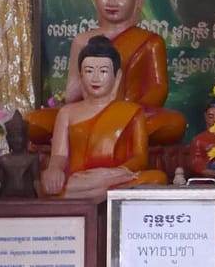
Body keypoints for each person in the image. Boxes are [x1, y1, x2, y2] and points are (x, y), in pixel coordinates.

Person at [28, 0, 186, 146]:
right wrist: (89, 93)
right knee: (33, 122)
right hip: (87, 112)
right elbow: (71, 95)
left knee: (174, 123)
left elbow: (158, 90)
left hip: (130, 115)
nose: (111, 3)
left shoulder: (150, 42)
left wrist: (125, 113)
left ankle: (104, 132)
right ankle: (102, 132)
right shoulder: (82, 41)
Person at [41, 36, 167, 199]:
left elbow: (140, 158)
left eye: (103, 71)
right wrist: (54, 169)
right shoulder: (67, 112)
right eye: (89, 71)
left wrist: (114, 173)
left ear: (117, 76)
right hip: (80, 179)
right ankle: (105, 194)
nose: (95, 78)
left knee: (157, 179)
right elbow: (60, 155)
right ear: (80, 75)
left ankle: (94, 193)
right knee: (47, 183)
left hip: (113, 178)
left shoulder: (132, 111)